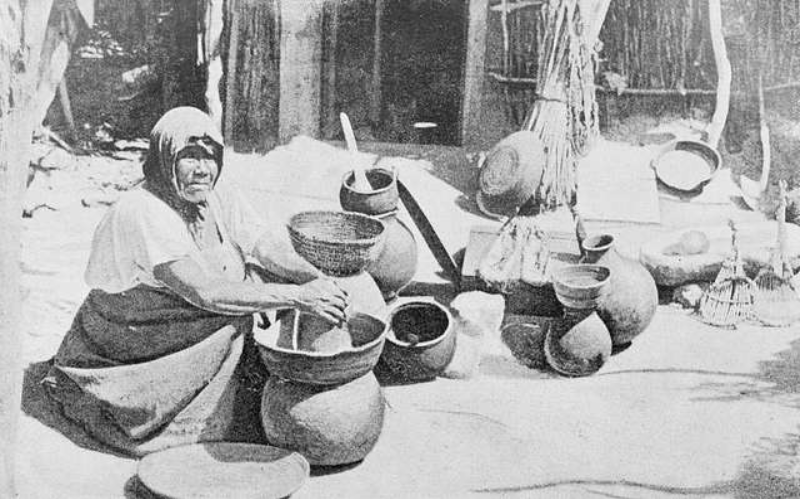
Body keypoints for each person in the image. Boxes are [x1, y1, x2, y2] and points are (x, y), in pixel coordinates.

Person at [43, 107, 351, 456]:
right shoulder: (141, 210)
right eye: (189, 156)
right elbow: (206, 293)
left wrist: (315, 276)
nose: (202, 169)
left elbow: (263, 245)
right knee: (238, 319)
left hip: (189, 309)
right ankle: (190, 419)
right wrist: (298, 297)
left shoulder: (215, 193)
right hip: (135, 338)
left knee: (262, 283)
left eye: (210, 156)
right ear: (164, 159)